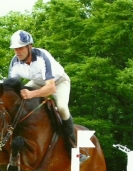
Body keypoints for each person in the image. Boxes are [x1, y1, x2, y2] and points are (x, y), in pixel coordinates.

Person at [8, 30, 88, 163]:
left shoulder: (41, 57)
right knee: (19, 101)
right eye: (15, 49)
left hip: (58, 82)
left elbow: (51, 88)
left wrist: (32, 94)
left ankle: (73, 148)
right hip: (38, 83)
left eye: (20, 48)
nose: (17, 52)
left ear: (30, 47)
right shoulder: (15, 62)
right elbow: (11, 89)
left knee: (62, 108)